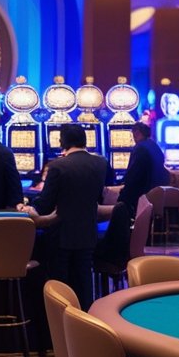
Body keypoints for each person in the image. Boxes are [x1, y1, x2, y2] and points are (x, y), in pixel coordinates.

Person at [27, 124, 111, 309]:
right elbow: (98, 197)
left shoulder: (57, 166)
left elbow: (45, 205)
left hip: (61, 234)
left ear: (62, 141)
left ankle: (60, 327)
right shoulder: (101, 163)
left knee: (61, 287)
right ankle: (86, 323)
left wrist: (28, 207)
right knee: (83, 282)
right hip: (88, 233)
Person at [118, 122, 169, 215]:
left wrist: (121, 185)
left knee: (122, 199)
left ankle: (125, 226)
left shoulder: (140, 148)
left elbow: (133, 175)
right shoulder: (154, 146)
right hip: (159, 190)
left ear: (137, 133)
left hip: (146, 192)